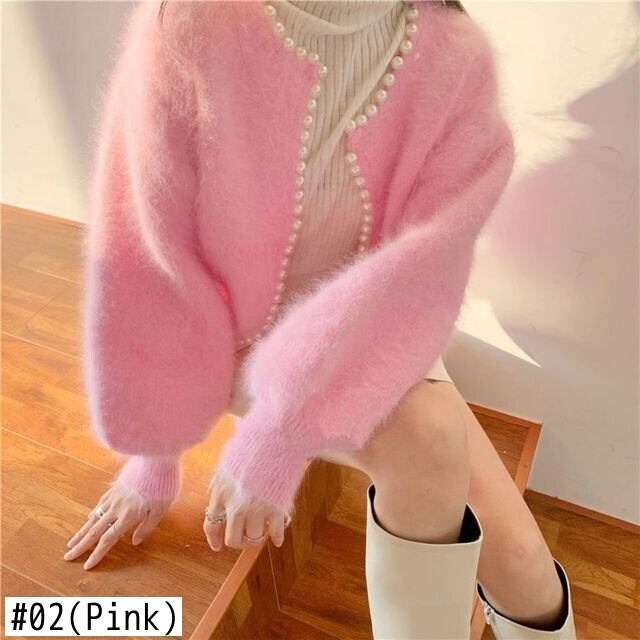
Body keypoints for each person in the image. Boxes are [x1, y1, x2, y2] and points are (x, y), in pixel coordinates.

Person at [65, 1, 577, 637]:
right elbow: (148, 252)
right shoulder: (194, 21)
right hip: (229, 338)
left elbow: (420, 273)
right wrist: (155, 453)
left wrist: (282, 430)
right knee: (430, 438)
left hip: (366, 333)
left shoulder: (456, 58)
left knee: (527, 570)